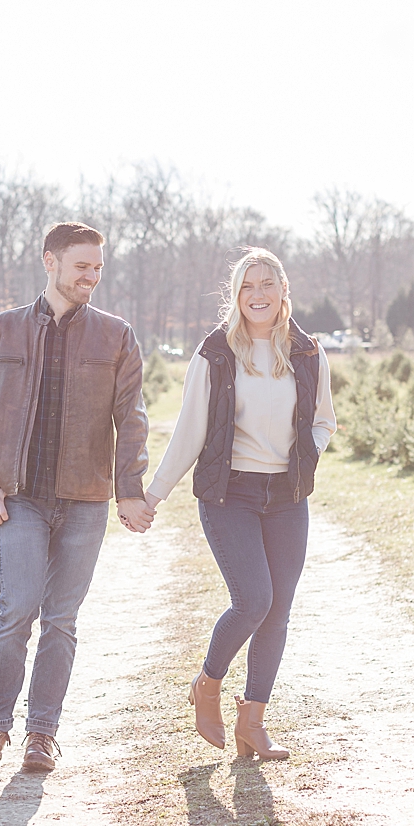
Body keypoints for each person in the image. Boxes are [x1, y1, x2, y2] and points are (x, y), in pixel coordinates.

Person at [0, 221, 154, 774]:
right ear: (50, 261)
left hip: (84, 502)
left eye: (97, 268)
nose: (91, 277)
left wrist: (129, 490)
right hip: (19, 499)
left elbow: (131, 419)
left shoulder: (116, 335)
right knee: (16, 611)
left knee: (61, 620)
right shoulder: (3, 330)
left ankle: (41, 734)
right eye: (81, 267)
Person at [144, 248, 335, 760]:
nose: (258, 295)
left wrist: (310, 452)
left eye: (267, 284)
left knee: (278, 611)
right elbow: (189, 430)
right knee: (253, 600)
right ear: (236, 295)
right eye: (248, 286)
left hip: (287, 496)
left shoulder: (307, 352)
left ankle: (253, 720)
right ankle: (208, 684)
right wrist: (154, 493)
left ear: (283, 292)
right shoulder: (215, 354)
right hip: (231, 494)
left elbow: (323, 419)